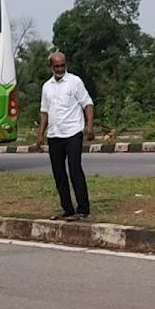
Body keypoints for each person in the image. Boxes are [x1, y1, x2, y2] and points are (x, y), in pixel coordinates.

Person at [36, 51, 95, 220]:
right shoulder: (46, 86)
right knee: (59, 173)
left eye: (62, 65)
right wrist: (40, 134)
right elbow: (44, 111)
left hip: (73, 132)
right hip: (54, 134)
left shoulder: (75, 82)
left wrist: (89, 126)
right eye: (57, 66)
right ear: (51, 67)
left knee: (75, 170)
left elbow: (88, 104)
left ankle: (82, 209)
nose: (60, 69)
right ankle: (67, 209)